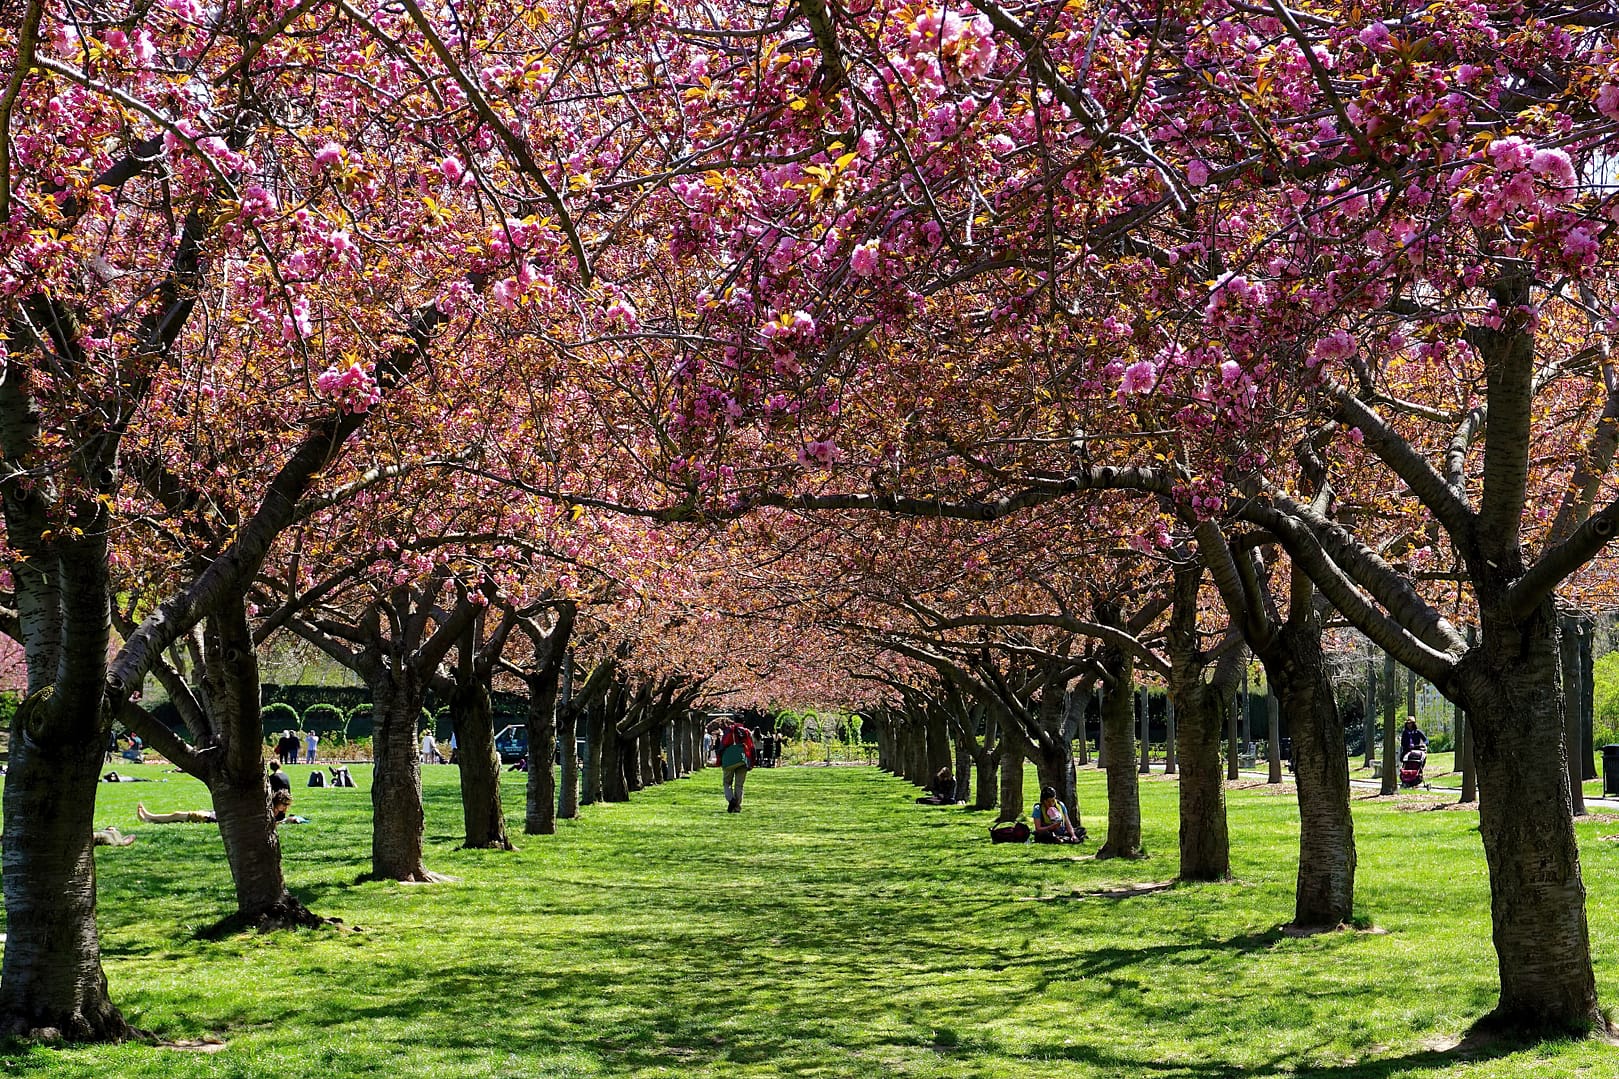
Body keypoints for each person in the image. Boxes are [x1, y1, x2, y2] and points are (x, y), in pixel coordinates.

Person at [714, 719, 756, 812]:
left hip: (729, 761)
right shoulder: (746, 732)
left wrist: (719, 760)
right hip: (742, 760)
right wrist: (751, 762)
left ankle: (731, 799)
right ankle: (737, 807)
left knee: (727, 783)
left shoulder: (730, 730)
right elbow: (751, 747)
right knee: (739, 785)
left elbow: (723, 745)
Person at [137, 802, 216, 824]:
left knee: (177, 815)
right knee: (177, 816)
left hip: (211, 817)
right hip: (213, 813)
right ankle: (149, 818)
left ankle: (149, 817)